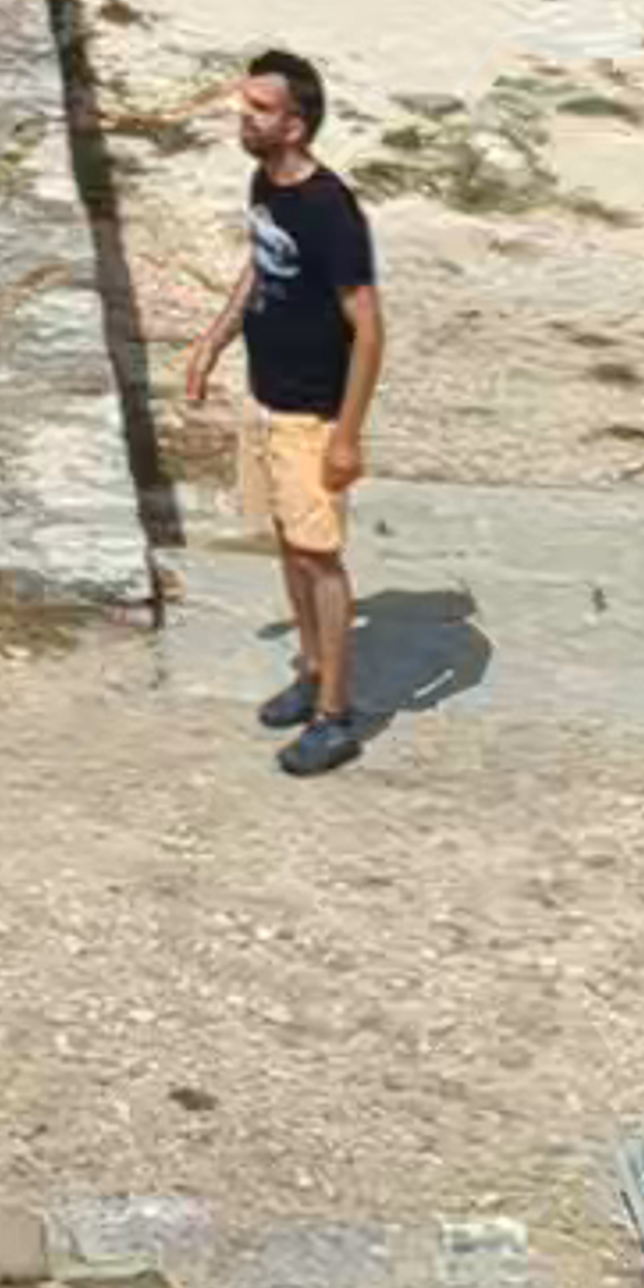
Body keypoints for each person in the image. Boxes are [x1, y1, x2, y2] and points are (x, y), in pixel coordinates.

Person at [181, 46, 383, 777]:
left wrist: (346, 437)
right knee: (290, 546)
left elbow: (370, 327)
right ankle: (310, 669)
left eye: (260, 108)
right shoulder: (264, 180)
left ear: (295, 125)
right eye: (245, 103)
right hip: (266, 400)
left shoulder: (332, 210)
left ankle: (335, 715)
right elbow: (261, 262)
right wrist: (213, 341)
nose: (244, 115)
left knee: (319, 558)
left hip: (312, 416)